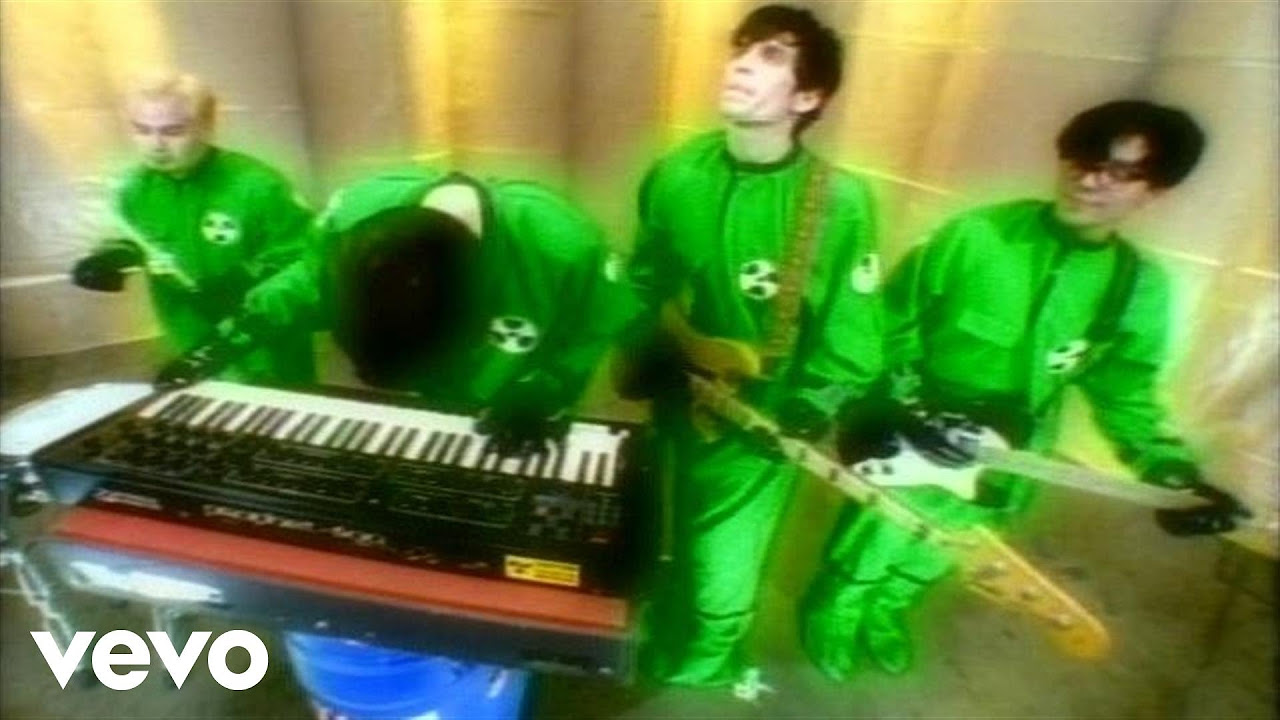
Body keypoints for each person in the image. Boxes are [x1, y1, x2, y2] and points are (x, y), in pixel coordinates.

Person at [801, 100, 1252, 681]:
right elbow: (893, 319)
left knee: (956, 545)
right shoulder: (977, 236)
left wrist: (1168, 470)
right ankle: (834, 613)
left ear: (1155, 192)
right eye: (1082, 160)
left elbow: (1125, 390)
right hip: (920, 425)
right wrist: (894, 400)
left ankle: (888, 609)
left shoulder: (1139, 290)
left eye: (1119, 172)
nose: (1090, 181)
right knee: (878, 535)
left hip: (1014, 449)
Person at [163, 165, 633, 719]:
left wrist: (550, 385)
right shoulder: (354, 217)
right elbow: (307, 279)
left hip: (508, 409)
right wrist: (220, 343)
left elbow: (600, 323)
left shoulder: (563, 244)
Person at [624, 5, 883, 694]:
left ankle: (711, 651)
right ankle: (671, 612)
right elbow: (646, 275)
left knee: (725, 554)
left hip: (760, 415)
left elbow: (854, 329)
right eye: (740, 48)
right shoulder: (677, 171)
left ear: (808, 97)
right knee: (669, 521)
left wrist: (816, 400)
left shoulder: (838, 202)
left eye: (770, 56)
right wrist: (643, 339)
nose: (739, 63)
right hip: (680, 391)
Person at [71, 71, 315, 385]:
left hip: (262, 339)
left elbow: (307, 255)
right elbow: (139, 239)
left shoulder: (258, 186)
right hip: (187, 336)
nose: (156, 146)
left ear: (206, 126)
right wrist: (116, 254)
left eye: (173, 131)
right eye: (142, 130)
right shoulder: (135, 188)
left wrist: (245, 278)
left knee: (276, 408)